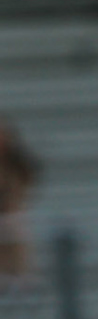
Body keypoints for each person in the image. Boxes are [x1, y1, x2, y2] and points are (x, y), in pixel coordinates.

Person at [0, 117, 40, 292]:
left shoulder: (16, 164)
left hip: (12, 218)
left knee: (16, 242)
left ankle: (20, 278)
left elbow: (27, 181)